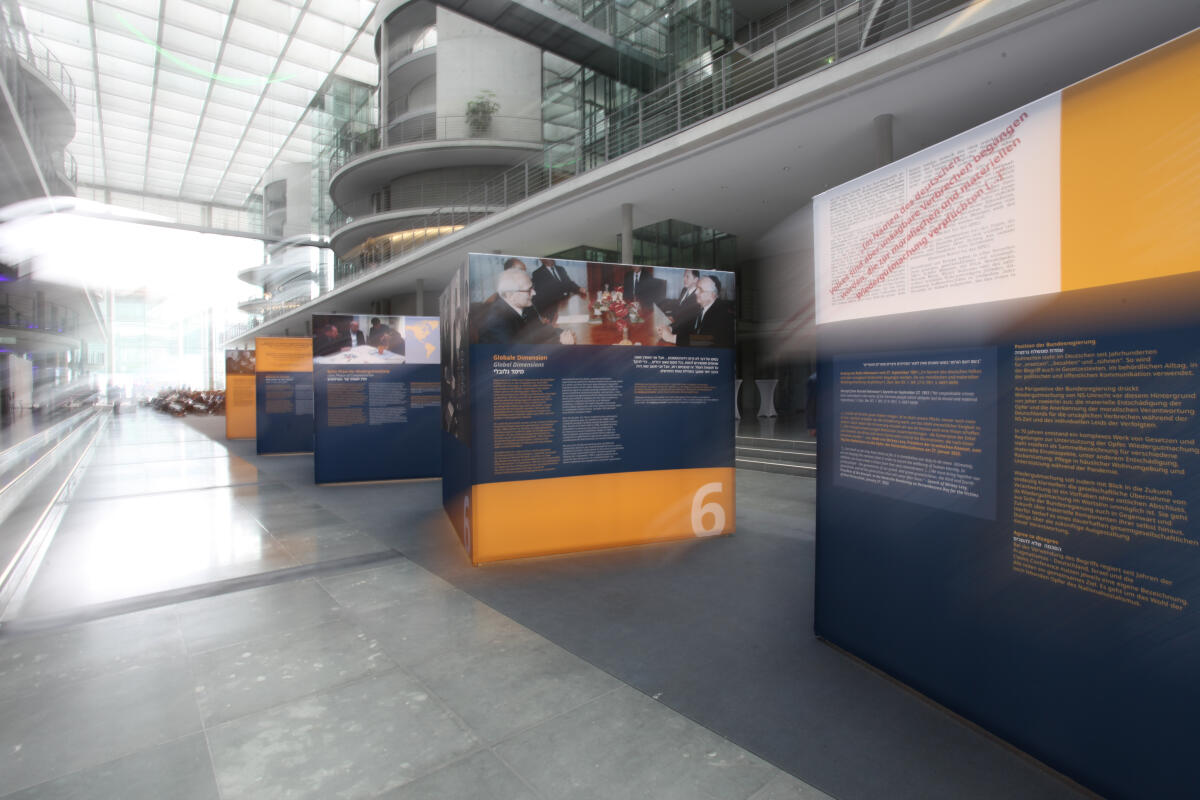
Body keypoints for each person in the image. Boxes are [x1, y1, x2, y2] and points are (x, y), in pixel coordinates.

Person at [478, 268, 577, 345]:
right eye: (528, 290)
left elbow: (541, 330)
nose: (534, 293)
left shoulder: (526, 306)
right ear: (510, 294)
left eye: (532, 288)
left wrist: (563, 334)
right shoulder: (496, 321)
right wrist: (560, 343)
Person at [657, 275, 734, 348]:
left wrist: (672, 338)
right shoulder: (700, 305)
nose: (696, 292)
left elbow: (706, 340)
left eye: (701, 290)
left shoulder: (722, 313)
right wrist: (670, 328)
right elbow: (687, 324)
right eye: (697, 288)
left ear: (713, 295)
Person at [668, 269, 701, 333]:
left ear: (696, 279)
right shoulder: (684, 289)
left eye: (687, 277)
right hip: (675, 322)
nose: (684, 279)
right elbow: (678, 306)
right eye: (684, 276)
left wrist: (670, 327)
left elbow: (686, 320)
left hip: (683, 330)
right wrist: (671, 316)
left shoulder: (697, 297)